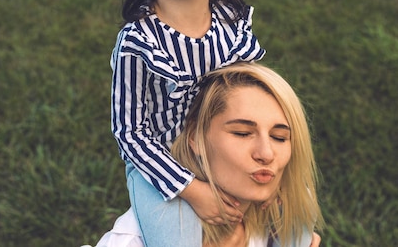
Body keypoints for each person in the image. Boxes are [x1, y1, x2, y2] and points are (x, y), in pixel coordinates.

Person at [110, 0, 266, 247]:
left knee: (293, 216)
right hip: (162, 165)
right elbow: (130, 133)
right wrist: (192, 190)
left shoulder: (232, 24)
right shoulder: (139, 43)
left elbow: (254, 101)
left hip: (224, 149)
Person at [94, 62, 323, 246]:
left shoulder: (283, 231)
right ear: (195, 137)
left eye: (279, 137)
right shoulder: (131, 241)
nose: (266, 153)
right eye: (242, 133)